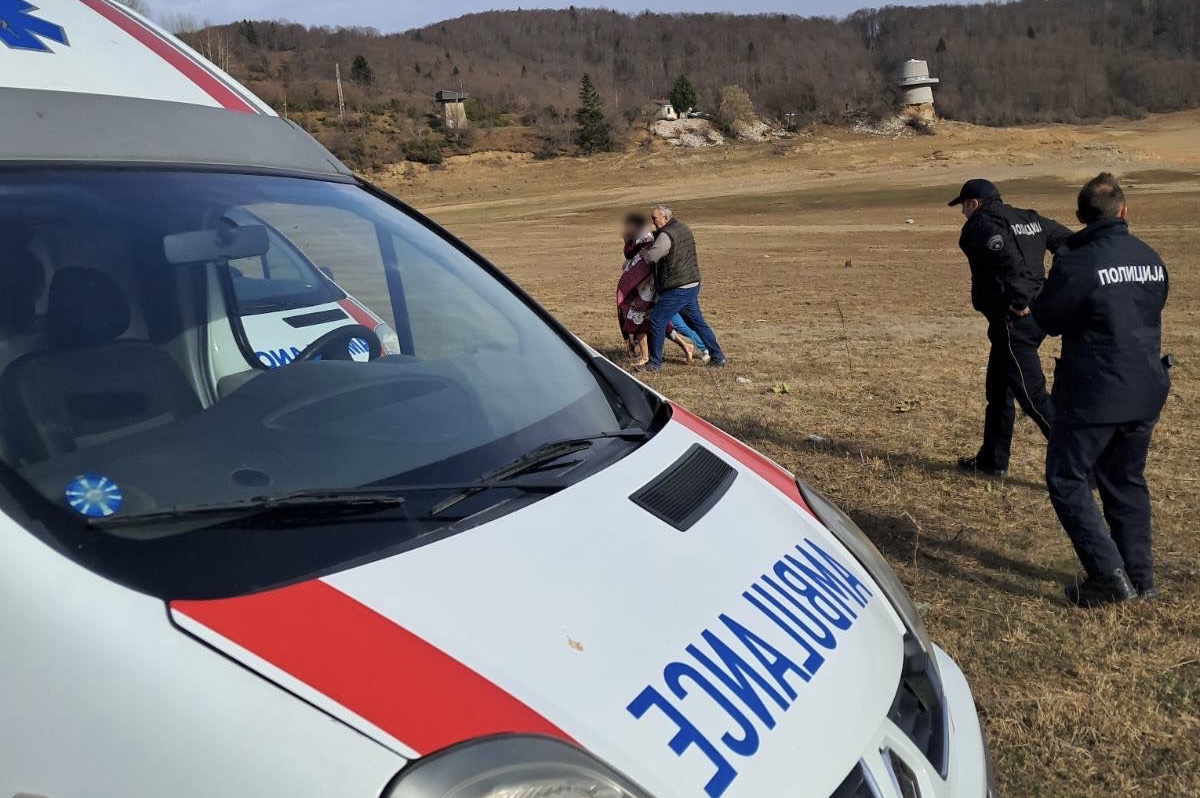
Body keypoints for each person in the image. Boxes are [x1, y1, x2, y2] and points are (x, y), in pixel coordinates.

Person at [1032, 173, 1170, 607]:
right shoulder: (1151, 257)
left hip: (1094, 393)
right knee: (1125, 480)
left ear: (1080, 217)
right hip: (1146, 387)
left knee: (1066, 478)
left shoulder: (1077, 263)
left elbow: (1048, 319)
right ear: (1124, 212)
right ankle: (1140, 578)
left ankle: (1109, 577)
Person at [949, 178, 1072, 477]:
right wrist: (1051, 289)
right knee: (999, 390)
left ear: (973, 204)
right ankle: (992, 460)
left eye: (963, 207)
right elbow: (1069, 242)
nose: (963, 213)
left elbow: (1005, 257)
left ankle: (1084, 465)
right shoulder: (1028, 218)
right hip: (1030, 317)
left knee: (1032, 396)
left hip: (1014, 320)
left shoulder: (982, 224)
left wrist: (1020, 298)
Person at [637, 203, 726, 373]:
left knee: (656, 321)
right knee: (697, 322)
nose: (653, 222)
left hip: (677, 287)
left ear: (665, 217)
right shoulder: (682, 228)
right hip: (691, 283)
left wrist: (645, 255)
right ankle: (718, 356)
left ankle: (653, 364)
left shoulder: (666, 235)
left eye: (654, 218)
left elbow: (652, 258)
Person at [617, 213, 703, 367]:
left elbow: (646, 260)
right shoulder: (638, 239)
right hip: (645, 289)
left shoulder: (646, 239)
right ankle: (686, 346)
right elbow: (631, 257)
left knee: (636, 320)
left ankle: (646, 357)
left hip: (646, 290)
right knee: (657, 323)